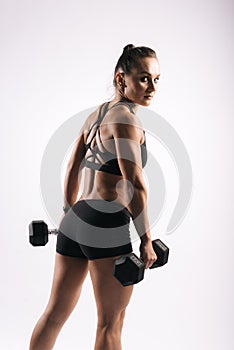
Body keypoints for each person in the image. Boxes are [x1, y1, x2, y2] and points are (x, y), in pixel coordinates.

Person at [29, 44, 161, 350]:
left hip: (76, 219)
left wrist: (68, 210)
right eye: (143, 78)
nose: (152, 87)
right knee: (110, 324)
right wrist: (146, 238)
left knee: (54, 314)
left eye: (156, 79)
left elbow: (73, 164)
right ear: (121, 79)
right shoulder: (126, 120)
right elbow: (135, 182)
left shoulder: (94, 116)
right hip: (105, 222)